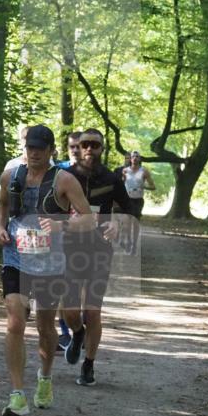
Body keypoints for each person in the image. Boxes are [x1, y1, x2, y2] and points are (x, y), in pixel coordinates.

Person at [0, 124, 93, 416]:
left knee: (45, 326)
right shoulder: (10, 176)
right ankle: (16, 394)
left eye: (40, 148)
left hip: (51, 263)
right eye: (30, 148)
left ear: (51, 151)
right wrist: (0, 227)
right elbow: (0, 205)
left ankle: (45, 377)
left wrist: (62, 225)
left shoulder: (64, 180)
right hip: (15, 257)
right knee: (14, 320)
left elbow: (88, 219)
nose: (34, 153)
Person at [61, 128, 133, 386]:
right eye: (85, 144)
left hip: (99, 249)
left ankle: (88, 365)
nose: (90, 149)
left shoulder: (112, 179)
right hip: (69, 248)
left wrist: (119, 224)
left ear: (102, 149)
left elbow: (130, 208)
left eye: (95, 145)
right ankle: (77, 333)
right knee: (69, 309)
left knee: (93, 311)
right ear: (78, 148)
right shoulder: (64, 176)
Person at [55, 131, 83, 348]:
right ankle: (65, 332)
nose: (75, 150)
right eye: (72, 146)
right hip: (62, 237)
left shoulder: (96, 175)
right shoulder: (59, 171)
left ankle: (79, 328)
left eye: (79, 146)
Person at [122, 151, 155, 254]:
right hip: (127, 200)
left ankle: (134, 245)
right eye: (133, 156)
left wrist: (143, 186)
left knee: (135, 223)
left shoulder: (144, 171)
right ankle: (128, 242)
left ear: (140, 159)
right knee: (127, 224)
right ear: (130, 159)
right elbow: (121, 184)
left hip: (138, 200)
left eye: (137, 156)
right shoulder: (125, 171)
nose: (135, 158)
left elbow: (153, 187)